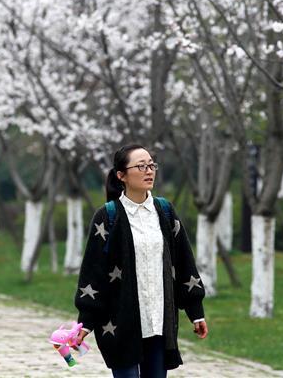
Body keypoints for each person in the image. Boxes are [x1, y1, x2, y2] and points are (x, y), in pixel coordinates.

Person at [75, 144, 207, 378]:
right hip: (121, 324)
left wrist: (196, 312)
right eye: (141, 166)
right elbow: (93, 273)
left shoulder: (165, 211)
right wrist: (85, 323)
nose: (149, 171)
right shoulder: (107, 216)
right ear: (121, 175)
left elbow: (184, 262)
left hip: (159, 323)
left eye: (151, 165)